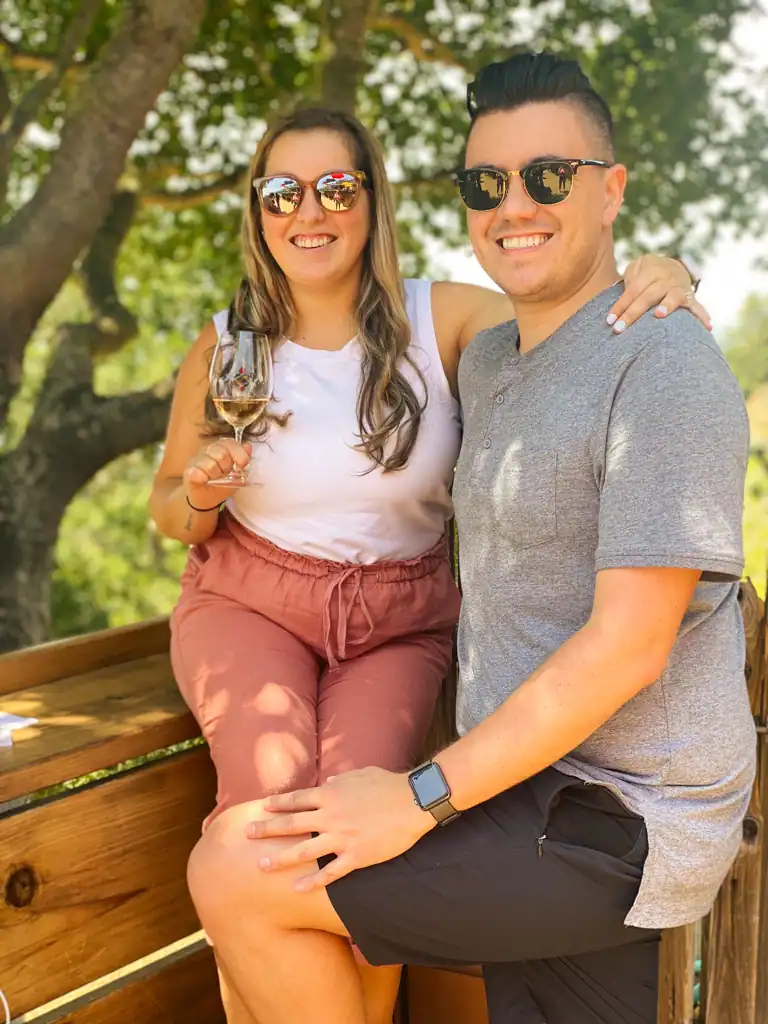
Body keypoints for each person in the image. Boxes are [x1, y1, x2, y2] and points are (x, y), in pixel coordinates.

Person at [182, 52, 755, 1024]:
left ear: (611, 190)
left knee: (243, 868)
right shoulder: (490, 361)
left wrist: (419, 794)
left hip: (608, 820)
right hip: (519, 788)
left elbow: (631, 643)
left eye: (549, 177)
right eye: (487, 183)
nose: (514, 203)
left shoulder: (663, 367)